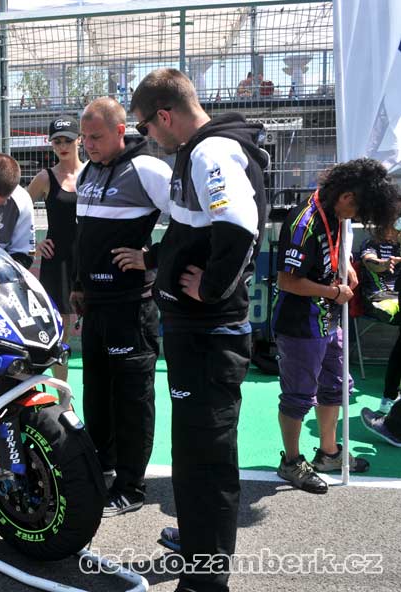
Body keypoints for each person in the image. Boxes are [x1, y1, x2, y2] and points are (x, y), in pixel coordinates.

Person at [129, 68, 269, 592]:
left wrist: (209, 289)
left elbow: (239, 228)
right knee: (192, 451)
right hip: (197, 332)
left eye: (144, 126)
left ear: (164, 116)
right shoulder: (200, 150)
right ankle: (197, 544)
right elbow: (193, 230)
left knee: (206, 458)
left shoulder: (212, 151)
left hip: (210, 334)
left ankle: (205, 579)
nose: (146, 137)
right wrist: (154, 261)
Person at [69, 98, 172, 518]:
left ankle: (131, 487)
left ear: (119, 131)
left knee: (131, 400)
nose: (88, 145)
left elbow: (192, 219)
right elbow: (85, 237)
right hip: (95, 305)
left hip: (131, 307)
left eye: (95, 137)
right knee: (96, 395)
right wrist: (79, 285)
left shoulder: (149, 169)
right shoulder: (88, 171)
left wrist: (150, 258)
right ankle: (103, 469)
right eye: (84, 137)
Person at [273, 159, 400, 494]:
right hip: (300, 323)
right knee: (299, 396)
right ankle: (291, 461)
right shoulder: (304, 222)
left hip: (330, 318)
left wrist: (348, 265)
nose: (355, 218)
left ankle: (329, 454)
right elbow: (287, 281)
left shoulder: (334, 213)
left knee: (337, 386)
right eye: (357, 211)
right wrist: (333, 292)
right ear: (346, 197)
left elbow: (333, 251)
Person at [27, 116, 82, 383]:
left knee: (98, 323)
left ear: (79, 140)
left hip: (89, 257)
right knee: (60, 329)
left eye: (68, 140)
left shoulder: (93, 173)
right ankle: (63, 394)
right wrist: (32, 245)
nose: (62, 146)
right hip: (57, 260)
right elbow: (16, 211)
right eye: (57, 141)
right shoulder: (45, 178)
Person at [358, 223, 401, 414]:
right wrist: (383, 264)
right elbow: (369, 261)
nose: (394, 230)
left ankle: (389, 398)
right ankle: (390, 398)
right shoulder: (371, 243)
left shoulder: (399, 243)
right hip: (378, 298)